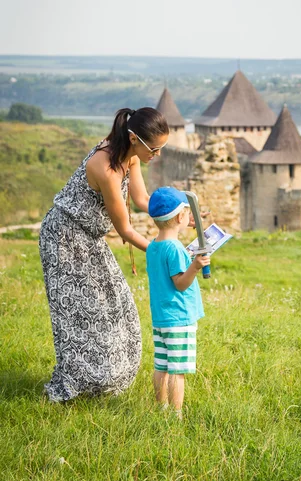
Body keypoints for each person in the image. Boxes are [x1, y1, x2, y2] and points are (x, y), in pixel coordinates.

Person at [39, 107, 169, 402]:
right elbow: (124, 229)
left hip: (90, 237)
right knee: (80, 313)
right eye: (155, 148)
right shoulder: (106, 167)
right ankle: (76, 384)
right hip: (64, 237)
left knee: (117, 305)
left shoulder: (132, 155)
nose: (158, 155)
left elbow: (141, 200)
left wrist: (175, 213)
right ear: (134, 137)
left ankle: (105, 381)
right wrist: (162, 250)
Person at [146, 186, 210, 419]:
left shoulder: (154, 245)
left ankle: (160, 407)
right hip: (179, 318)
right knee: (177, 371)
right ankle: (176, 415)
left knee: (161, 366)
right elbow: (180, 283)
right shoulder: (175, 249)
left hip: (161, 318)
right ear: (181, 217)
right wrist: (195, 266)